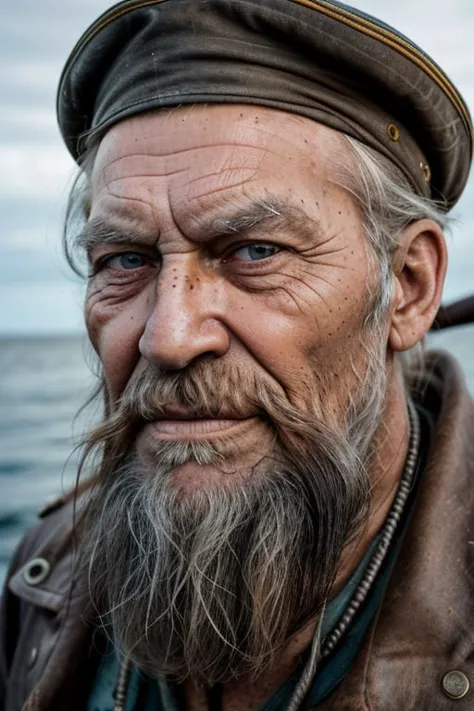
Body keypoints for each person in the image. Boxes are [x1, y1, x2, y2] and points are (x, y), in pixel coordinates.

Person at [1, 0, 474, 709]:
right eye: (124, 259)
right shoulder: (49, 569)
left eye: (255, 252)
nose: (168, 335)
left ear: (407, 287)